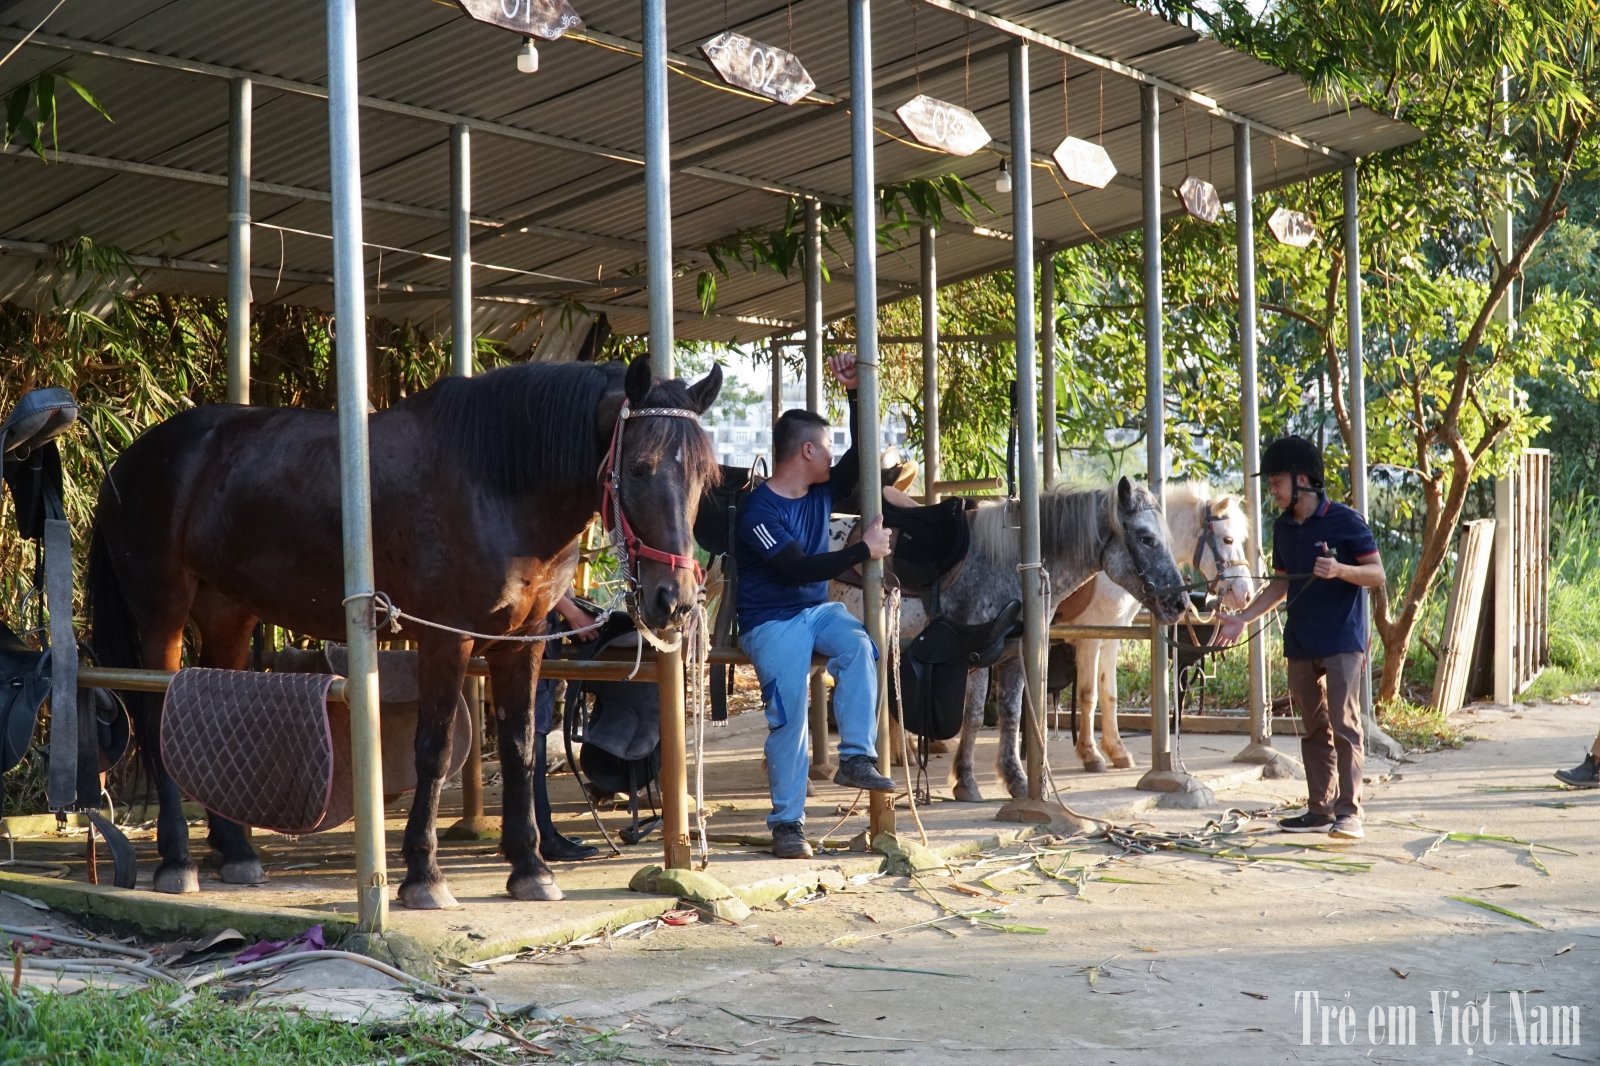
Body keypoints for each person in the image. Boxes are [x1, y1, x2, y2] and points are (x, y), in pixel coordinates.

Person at [736, 350, 897, 860]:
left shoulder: (821, 490)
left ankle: (856, 756)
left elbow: (866, 454)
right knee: (790, 719)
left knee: (860, 646)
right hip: (771, 621)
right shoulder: (757, 509)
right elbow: (796, 568)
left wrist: (854, 392)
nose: (833, 456)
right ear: (806, 451)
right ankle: (787, 824)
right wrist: (861, 551)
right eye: (827, 448)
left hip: (815, 612)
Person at [1212, 435, 1385, 841]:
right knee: (1313, 728)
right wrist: (1243, 618)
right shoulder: (1283, 528)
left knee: (1346, 725)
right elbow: (1279, 585)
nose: (1272, 490)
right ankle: (1319, 808)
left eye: (1276, 482)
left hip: (1343, 638)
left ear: (1302, 479)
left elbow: (1376, 575)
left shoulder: (1346, 521)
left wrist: (1340, 570)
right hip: (1302, 639)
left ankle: (1350, 813)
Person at [532, 590, 603, 861]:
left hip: (541, 620)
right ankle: (541, 835)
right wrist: (572, 613)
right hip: (531, 624)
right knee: (532, 733)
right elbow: (536, 571)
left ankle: (536, 831)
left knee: (534, 731)